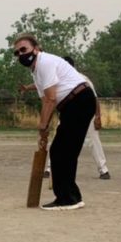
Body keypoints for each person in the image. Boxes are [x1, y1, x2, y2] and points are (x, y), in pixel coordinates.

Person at [13, 35, 96, 210]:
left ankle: (68, 199)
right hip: (72, 105)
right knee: (62, 151)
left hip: (79, 101)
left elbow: (51, 99)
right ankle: (71, 196)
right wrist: (43, 129)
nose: (21, 54)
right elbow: (46, 101)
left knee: (62, 151)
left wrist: (42, 126)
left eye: (24, 49)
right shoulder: (36, 71)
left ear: (36, 48)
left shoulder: (45, 62)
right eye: (17, 52)